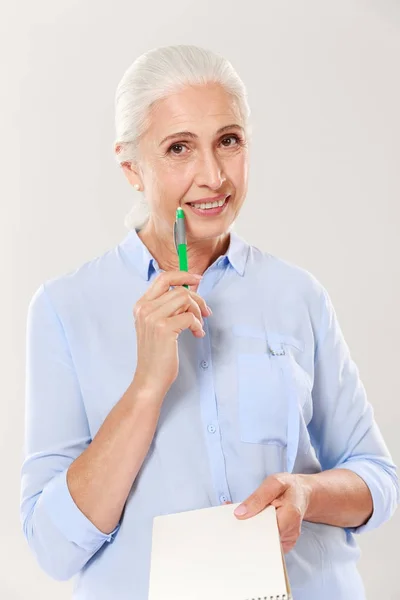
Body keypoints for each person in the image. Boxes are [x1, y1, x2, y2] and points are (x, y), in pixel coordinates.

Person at [20, 44, 399, 600]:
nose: (213, 175)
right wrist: (147, 387)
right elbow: (52, 547)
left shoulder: (298, 295)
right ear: (131, 167)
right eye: (179, 148)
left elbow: (376, 480)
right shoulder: (63, 308)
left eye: (229, 140)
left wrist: (304, 493)